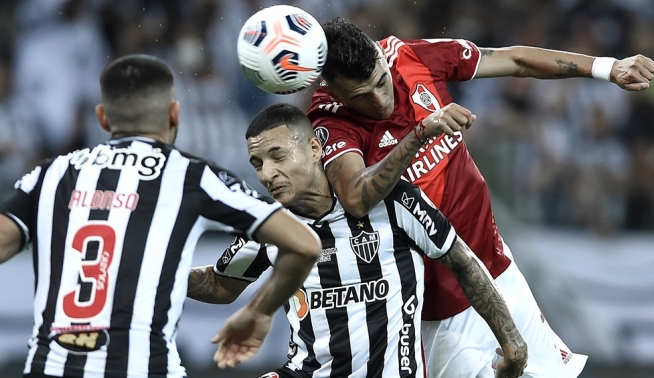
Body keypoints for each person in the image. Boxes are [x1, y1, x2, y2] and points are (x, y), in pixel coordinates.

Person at [306, 17, 653, 378]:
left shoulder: (411, 56)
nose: (380, 101)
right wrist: (419, 135)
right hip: (432, 311)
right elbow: (355, 197)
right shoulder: (329, 118)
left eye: (381, 81)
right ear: (333, 90)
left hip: (496, 271)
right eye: (362, 96)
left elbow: (514, 60)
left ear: (380, 53)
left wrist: (607, 67)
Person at [0, 54, 321, 378]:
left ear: (102, 118)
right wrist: (258, 312)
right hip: (145, 368)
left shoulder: (51, 175)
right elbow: (304, 244)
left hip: (49, 367)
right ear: (174, 114)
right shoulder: (189, 176)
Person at [187, 103, 528, 378]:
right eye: (257, 163)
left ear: (315, 148)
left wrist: (511, 341)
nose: (266, 173)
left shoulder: (392, 200)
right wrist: (151, 269)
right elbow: (221, 284)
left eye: (278, 156)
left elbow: (463, 262)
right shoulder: (268, 223)